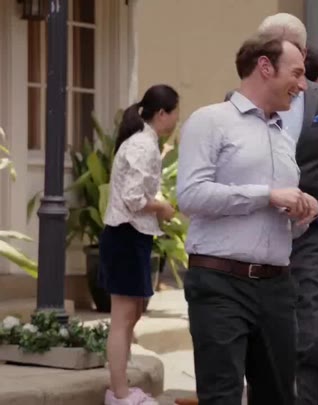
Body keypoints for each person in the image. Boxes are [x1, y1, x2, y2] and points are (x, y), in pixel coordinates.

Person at [176, 33, 318, 404]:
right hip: (219, 282)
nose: (303, 85)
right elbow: (190, 196)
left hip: (277, 286)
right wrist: (266, 195)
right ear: (265, 67)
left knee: (278, 396)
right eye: (297, 73)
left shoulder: (283, 137)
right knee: (221, 396)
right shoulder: (210, 121)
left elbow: (279, 219)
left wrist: (301, 213)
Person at [256, 12, 318, 405]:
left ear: (303, 52)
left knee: (312, 334)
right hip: (260, 232)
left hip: (313, 233)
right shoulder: (241, 102)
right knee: (267, 336)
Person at [101, 84, 180, 405]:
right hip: (126, 235)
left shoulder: (144, 143)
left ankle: (122, 386)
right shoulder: (142, 146)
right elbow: (134, 198)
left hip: (131, 235)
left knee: (131, 314)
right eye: (175, 113)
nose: (177, 120)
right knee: (122, 318)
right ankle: (119, 393)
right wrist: (162, 207)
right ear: (162, 113)